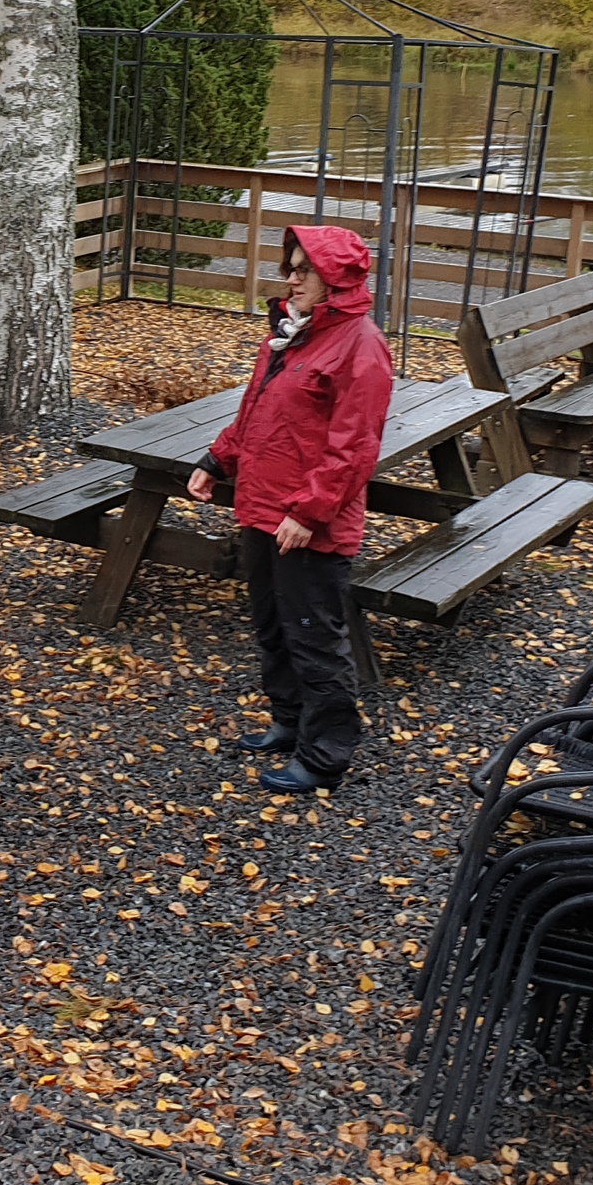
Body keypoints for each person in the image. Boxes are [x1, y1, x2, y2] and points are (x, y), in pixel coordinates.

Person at [186, 225, 394, 797]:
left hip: (309, 522)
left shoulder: (360, 345)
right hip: (262, 504)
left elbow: (354, 447)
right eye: (291, 267)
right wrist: (218, 458)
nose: (292, 279)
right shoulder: (292, 334)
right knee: (273, 624)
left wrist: (310, 512)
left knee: (314, 637)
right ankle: (288, 720)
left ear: (335, 279)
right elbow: (258, 411)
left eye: (306, 270)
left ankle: (325, 754)